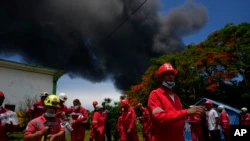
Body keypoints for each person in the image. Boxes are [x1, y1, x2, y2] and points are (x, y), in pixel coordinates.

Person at [147, 63, 205, 141]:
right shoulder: (155, 94)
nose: (171, 76)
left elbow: (178, 115)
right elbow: (160, 117)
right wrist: (186, 112)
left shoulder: (176, 97)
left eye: (172, 74)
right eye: (167, 74)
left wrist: (194, 111)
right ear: (160, 78)